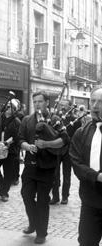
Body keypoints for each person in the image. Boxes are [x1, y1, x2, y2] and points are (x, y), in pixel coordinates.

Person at [19, 91, 69, 244]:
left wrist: (46, 144)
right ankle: (33, 222)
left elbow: (64, 140)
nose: (37, 104)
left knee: (42, 201)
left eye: (40, 101)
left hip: (47, 167)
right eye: (35, 102)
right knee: (26, 195)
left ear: (47, 102)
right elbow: (19, 139)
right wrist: (26, 146)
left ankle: (41, 232)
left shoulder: (55, 120)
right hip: (30, 165)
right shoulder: (27, 120)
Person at [69, 87, 102, 246]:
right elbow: (76, 163)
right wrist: (96, 176)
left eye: (100, 102)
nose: (95, 105)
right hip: (90, 200)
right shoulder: (81, 133)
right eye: (93, 101)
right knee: (87, 242)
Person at [50, 102, 81, 205]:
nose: (63, 107)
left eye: (65, 105)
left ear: (70, 107)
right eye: (62, 105)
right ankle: (55, 196)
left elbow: (77, 137)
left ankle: (65, 196)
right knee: (55, 174)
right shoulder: (57, 118)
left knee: (66, 174)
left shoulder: (76, 120)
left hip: (68, 151)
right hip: (57, 149)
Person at [0, 99, 21, 202]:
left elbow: (16, 136)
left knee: (8, 172)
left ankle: (4, 193)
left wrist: (7, 144)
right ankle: (3, 185)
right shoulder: (0, 118)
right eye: (7, 105)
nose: (7, 107)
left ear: (14, 109)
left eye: (10, 106)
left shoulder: (16, 121)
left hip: (10, 150)